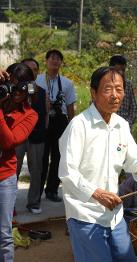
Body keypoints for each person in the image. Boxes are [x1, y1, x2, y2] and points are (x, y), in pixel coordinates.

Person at [58, 66, 137, 261]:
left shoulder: (121, 125)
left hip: (114, 215)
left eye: (119, 89)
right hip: (85, 215)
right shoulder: (79, 125)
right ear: (93, 93)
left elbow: (132, 160)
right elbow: (67, 172)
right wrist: (97, 193)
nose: (115, 95)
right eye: (108, 89)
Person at [0, 64, 38, 261]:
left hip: (4, 178)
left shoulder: (30, 115)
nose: (15, 92)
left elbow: (9, 142)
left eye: (20, 87)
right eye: (10, 85)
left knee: (3, 235)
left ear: (28, 89)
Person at [36, 49, 76, 202]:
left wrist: (72, 126)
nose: (55, 61)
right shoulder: (37, 80)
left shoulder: (67, 83)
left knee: (58, 157)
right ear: (46, 61)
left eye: (58, 58)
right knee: (42, 157)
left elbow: (71, 106)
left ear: (61, 63)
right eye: (52, 58)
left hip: (60, 121)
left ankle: (52, 190)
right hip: (42, 121)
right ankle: (37, 190)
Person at [13, 58, 49, 214]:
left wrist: (43, 131)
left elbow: (46, 114)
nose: (31, 71)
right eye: (27, 68)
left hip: (36, 137)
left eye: (34, 69)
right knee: (13, 170)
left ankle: (34, 202)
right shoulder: (13, 89)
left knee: (37, 171)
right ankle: (9, 204)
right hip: (17, 136)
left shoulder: (41, 92)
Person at [109, 55, 137, 129]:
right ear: (110, 69)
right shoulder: (104, 84)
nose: (121, 73)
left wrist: (127, 124)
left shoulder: (128, 84)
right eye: (118, 70)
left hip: (125, 127)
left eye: (123, 70)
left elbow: (134, 108)